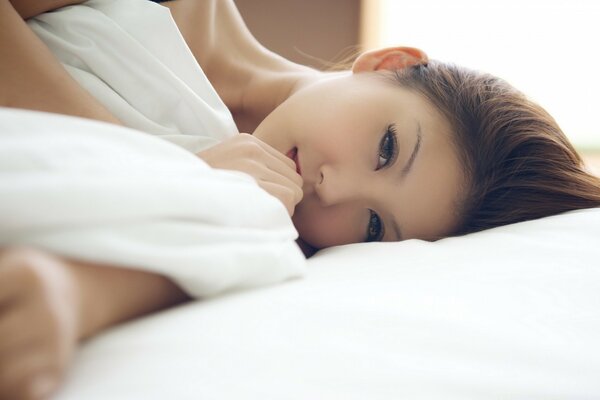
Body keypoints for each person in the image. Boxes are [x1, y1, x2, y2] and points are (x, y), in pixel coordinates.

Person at [1, 0, 599, 399]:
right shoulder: (181, 10)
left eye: (372, 227)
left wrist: (68, 295)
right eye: (387, 150)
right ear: (389, 65)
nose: (332, 190)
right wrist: (164, 169)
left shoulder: (269, 224)